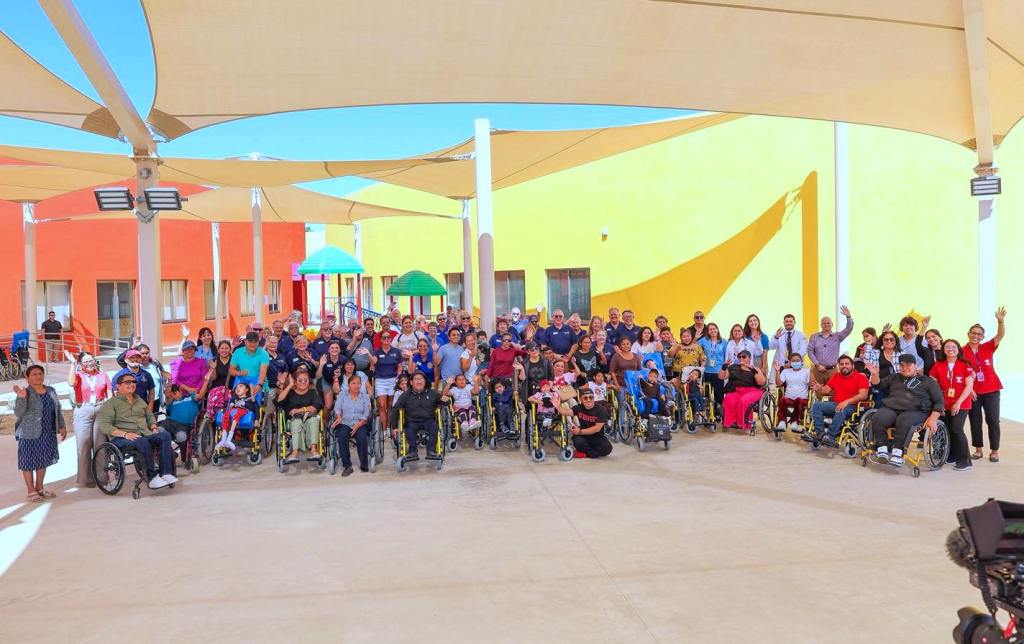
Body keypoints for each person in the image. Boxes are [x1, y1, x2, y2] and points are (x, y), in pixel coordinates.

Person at [97, 371, 177, 490]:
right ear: (118, 386)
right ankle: (152, 478)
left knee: (164, 435)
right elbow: (105, 426)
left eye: (134, 382)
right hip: (121, 438)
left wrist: (154, 427)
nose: (132, 384)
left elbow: (149, 415)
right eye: (127, 382)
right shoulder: (110, 404)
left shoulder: (138, 399)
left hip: (143, 434)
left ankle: (166, 473)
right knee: (142, 441)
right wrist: (125, 434)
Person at [866, 354, 943, 467]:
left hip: (917, 411)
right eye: (902, 365)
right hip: (892, 408)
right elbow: (878, 385)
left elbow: (939, 401)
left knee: (904, 420)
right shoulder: (894, 377)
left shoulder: (927, 381)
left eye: (908, 365)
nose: (905, 368)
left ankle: (898, 453)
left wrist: (933, 419)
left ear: (915, 366)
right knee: (879, 416)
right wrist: (874, 374)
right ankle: (882, 449)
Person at [14, 365, 66, 502]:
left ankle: (40, 488)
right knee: (28, 461)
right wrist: (22, 398)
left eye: (40, 373)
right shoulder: (25, 392)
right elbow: (18, 413)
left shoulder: (51, 390)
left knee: (43, 460)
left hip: (48, 431)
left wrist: (62, 425)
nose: (38, 376)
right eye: (34, 374)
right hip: (29, 433)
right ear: (27, 378)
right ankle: (31, 491)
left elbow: (57, 409)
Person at [965, 307, 1006, 462]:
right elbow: (962, 372)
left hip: (991, 390)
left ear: (982, 337)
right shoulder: (961, 351)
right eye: (973, 333)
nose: (975, 335)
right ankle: (978, 450)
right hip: (973, 392)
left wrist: (1000, 322)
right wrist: (969, 390)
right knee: (975, 420)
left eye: (979, 334)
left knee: (993, 421)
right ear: (968, 334)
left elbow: (1000, 335)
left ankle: (994, 451)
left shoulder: (988, 346)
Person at [66, 350, 111, 488]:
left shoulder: (102, 375)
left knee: (100, 445)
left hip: (100, 408)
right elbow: (71, 382)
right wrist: (73, 364)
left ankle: (102, 477)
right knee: (83, 446)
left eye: (91, 360)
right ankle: (85, 478)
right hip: (83, 410)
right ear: (81, 364)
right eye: (85, 362)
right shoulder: (78, 375)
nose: (89, 363)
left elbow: (110, 394)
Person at [928, 338, 974, 471]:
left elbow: (969, 386)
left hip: (961, 403)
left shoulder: (965, 364)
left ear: (958, 349)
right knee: (948, 430)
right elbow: (933, 385)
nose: (950, 349)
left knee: (957, 429)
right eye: (947, 347)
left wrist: (958, 403)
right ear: (943, 350)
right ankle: (952, 455)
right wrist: (939, 404)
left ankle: (965, 461)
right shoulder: (938, 364)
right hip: (944, 403)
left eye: (953, 347)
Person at [808, 355, 869, 445]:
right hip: (836, 404)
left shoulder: (861, 377)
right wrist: (819, 388)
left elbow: (863, 395)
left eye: (847, 364)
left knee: (841, 409)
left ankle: (830, 436)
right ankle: (820, 433)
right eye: (841, 364)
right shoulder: (836, 376)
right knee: (817, 405)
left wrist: (846, 402)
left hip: (852, 407)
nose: (844, 366)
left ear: (852, 365)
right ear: (838, 366)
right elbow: (826, 390)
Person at [389, 371, 445, 460]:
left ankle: (431, 451)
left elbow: (445, 401)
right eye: (416, 379)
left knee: (434, 427)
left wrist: (445, 399)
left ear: (425, 381)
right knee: (409, 428)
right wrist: (395, 427)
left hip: (429, 420)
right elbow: (395, 409)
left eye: (421, 379)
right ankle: (412, 452)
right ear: (411, 382)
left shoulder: (433, 393)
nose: (419, 381)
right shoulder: (405, 395)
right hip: (412, 421)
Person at [277, 371, 324, 464]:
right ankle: (295, 452)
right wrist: (290, 385)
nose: (303, 382)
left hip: (309, 420)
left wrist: (299, 410)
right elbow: (279, 401)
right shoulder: (290, 393)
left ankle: (314, 450)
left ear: (309, 381)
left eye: (306, 380)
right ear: (295, 382)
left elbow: (316, 407)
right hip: (293, 421)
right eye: (300, 380)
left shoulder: (312, 393)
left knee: (314, 420)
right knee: (296, 422)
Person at [331, 374, 372, 475]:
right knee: (341, 435)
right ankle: (347, 465)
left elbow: (367, 413)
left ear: (361, 385)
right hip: (345, 422)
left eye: (358, 383)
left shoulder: (365, 396)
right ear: (348, 385)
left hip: (361, 423)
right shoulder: (342, 395)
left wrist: (358, 424)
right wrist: (338, 416)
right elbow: (337, 408)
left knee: (362, 437)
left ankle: (364, 464)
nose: (356, 385)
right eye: (353, 383)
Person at [558, 387, 613, 458]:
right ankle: (592, 453)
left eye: (591, 397)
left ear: (594, 398)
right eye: (585, 398)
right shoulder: (578, 408)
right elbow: (566, 412)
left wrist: (580, 431)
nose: (588, 400)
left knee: (608, 448)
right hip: (583, 436)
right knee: (577, 441)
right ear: (581, 400)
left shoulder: (601, 410)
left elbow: (597, 428)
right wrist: (557, 406)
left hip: (597, 436)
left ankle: (586, 454)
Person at [807, 306, 854, 386]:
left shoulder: (837, 336)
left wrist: (848, 317)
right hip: (818, 370)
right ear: (821, 325)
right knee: (818, 391)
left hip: (832, 370)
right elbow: (810, 351)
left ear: (832, 324)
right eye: (824, 323)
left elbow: (848, 329)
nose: (826, 325)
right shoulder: (814, 336)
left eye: (828, 323)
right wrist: (817, 364)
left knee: (833, 391)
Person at [722, 350, 766, 430]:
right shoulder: (733, 367)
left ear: (750, 358)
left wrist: (751, 369)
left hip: (753, 390)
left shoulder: (755, 368)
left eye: (744, 357)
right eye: (740, 357)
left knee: (744, 400)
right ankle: (732, 422)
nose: (741, 358)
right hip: (738, 390)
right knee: (729, 398)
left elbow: (761, 382)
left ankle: (743, 423)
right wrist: (723, 367)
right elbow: (722, 377)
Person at [217, 382, 259, 453]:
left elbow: (256, 408)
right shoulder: (233, 399)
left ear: (247, 389)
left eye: (241, 386)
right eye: (237, 387)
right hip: (232, 414)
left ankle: (229, 439)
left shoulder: (250, 399)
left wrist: (257, 419)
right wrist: (231, 404)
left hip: (243, 414)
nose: (238, 388)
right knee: (225, 414)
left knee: (237, 413)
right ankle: (224, 439)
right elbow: (229, 405)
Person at [774, 353, 809, 431]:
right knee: (783, 399)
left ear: (801, 361)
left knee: (799, 400)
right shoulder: (786, 371)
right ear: (790, 362)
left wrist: (812, 372)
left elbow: (811, 384)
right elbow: (779, 383)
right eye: (793, 361)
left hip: (802, 398)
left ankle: (794, 421)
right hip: (789, 397)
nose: (796, 362)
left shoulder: (807, 371)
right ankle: (782, 421)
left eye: (797, 360)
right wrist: (777, 371)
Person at [698, 323, 726, 407]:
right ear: (708, 331)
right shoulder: (704, 340)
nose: (712, 331)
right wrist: (695, 338)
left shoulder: (724, 341)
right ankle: (709, 411)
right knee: (707, 395)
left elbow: (726, 356)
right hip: (707, 371)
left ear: (717, 329)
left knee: (719, 395)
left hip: (718, 371)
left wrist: (725, 368)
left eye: (714, 328)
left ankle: (719, 411)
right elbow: (695, 347)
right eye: (710, 329)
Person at [608, 336, 642, 403]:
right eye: (623, 344)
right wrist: (617, 385)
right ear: (620, 346)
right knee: (623, 404)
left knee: (635, 404)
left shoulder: (635, 356)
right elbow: (612, 372)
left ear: (631, 344)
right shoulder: (616, 356)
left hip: (633, 385)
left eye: (627, 344)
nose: (626, 346)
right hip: (621, 385)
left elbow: (639, 370)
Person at [315, 340, 346, 412]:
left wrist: (340, 374)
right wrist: (321, 365)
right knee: (328, 406)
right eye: (332, 348)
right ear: (328, 350)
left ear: (340, 350)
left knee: (342, 405)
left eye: (337, 348)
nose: (334, 349)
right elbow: (318, 376)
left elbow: (348, 373)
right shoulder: (324, 358)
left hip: (340, 382)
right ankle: (326, 418)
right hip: (327, 381)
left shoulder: (344, 359)